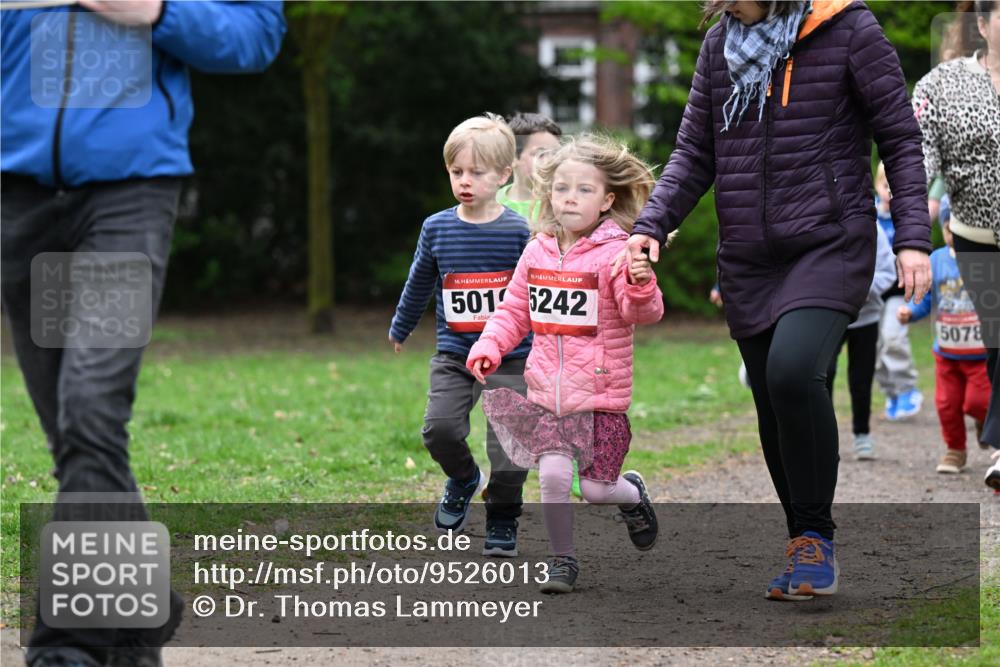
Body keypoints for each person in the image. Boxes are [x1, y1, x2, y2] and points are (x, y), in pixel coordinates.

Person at [0, 2, 285, 666]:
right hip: (21, 197)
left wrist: (157, 10)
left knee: (90, 407)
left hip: (127, 196)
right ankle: (137, 615)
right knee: (76, 433)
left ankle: (68, 642)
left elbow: (256, 33)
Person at [617, 0, 932, 600]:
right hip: (748, 257)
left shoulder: (848, 28)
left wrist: (913, 238)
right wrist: (652, 223)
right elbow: (695, 152)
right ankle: (801, 542)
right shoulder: (720, 45)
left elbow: (899, 138)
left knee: (793, 373)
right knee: (770, 397)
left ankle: (815, 536)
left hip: (829, 243)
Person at [466, 135, 664, 594]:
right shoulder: (536, 250)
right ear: (549, 195)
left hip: (599, 396)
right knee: (553, 477)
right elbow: (514, 309)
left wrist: (640, 283)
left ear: (607, 199)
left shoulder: (618, 253)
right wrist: (489, 344)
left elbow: (642, 313)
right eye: (562, 189)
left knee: (596, 491)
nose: (570, 198)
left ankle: (632, 495)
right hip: (547, 395)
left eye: (584, 189)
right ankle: (563, 560)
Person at [388, 113, 532, 556]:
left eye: (477, 172)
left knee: (510, 446)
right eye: (456, 171)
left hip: (511, 355)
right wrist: (401, 325)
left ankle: (503, 516)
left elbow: (533, 291)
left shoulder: (519, 231)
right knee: (440, 430)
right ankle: (465, 478)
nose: (465, 181)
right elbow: (419, 282)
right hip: (454, 354)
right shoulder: (437, 227)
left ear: (504, 175)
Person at [912, 0, 1000, 490]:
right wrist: (913, 205)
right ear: (981, 25)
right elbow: (920, 154)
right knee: (997, 334)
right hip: (976, 235)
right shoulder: (942, 85)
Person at [897, 218, 990, 474]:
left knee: (978, 402)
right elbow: (927, 298)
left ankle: (986, 421)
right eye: (949, 228)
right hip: (947, 352)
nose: (954, 234)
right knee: (947, 404)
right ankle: (955, 450)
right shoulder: (936, 260)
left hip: (980, 353)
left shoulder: (984, 256)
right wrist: (910, 311)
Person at [826, 221, 897, 460]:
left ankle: (862, 434)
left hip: (866, 317)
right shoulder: (821, 219)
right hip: (828, 314)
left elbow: (888, 270)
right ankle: (824, 437)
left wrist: (865, 288)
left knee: (861, 380)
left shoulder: (872, 226)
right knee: (823, 373)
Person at [875, 162, 924, 420]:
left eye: (894, 188)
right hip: (872, 293)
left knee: (892, 338)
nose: (889, 193)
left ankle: (907, 389)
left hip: (897, 291)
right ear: (877, 186)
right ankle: (891, 392)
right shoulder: (868, 215)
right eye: (885, 186)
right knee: (874, 348)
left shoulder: (904, 218)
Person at [496, 112, 562, 221]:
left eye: (556, 153)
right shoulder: (491, 203)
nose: (552, 161)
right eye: (541, 154)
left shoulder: (563, 204)